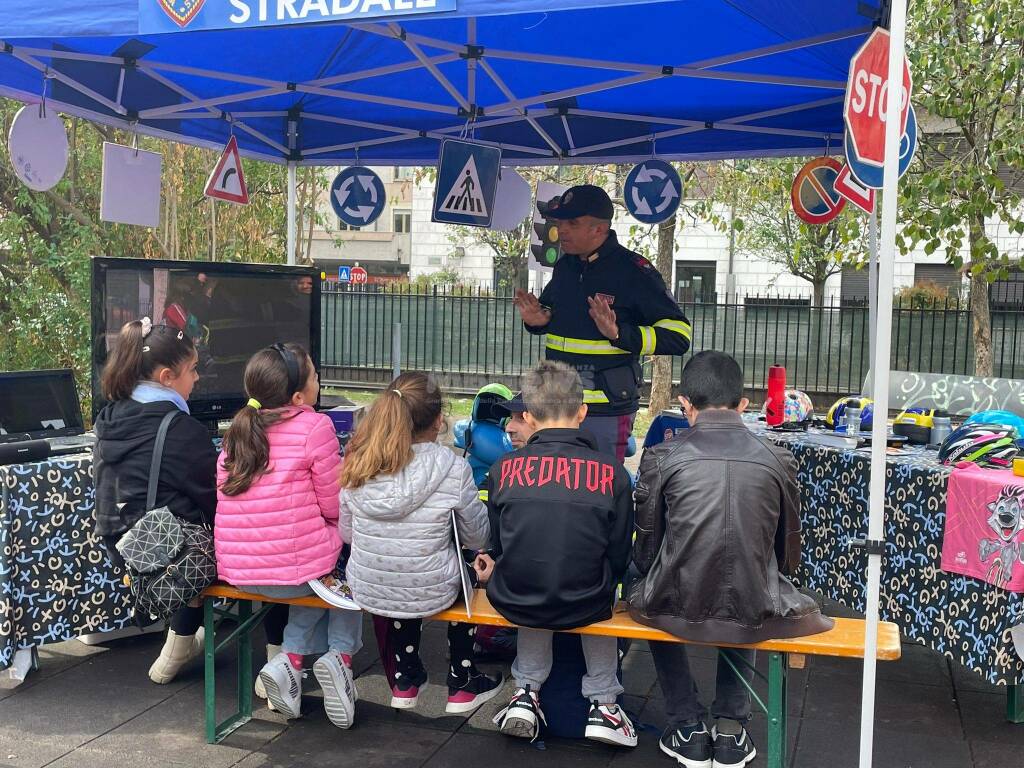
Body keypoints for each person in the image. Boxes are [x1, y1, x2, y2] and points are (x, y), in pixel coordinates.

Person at [629, 351, 834, 768]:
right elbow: (788, 555)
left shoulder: (660, 456)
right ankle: (731, 727)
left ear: (684, 403)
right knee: (756, 576)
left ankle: (686, 722)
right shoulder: (780, 458)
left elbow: (646, 550)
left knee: (642, 577)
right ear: (744, 405)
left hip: (672, 606)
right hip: (756, 605)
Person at [485, 361, 637, 747]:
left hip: (515, 599)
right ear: (582, 412)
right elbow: (619, 553)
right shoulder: (613, 472)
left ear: (531, 417)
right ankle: (604, 704)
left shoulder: (503, 469)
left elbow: (501, 546)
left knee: (529, 570)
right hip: (587, 599)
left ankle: (525, 692)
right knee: (597, 580)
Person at [214, 343, 362, 730]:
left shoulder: (236, 433)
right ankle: (340, 660)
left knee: (316, 569)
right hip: (294, 574)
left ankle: (290, 662)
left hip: (241, 574)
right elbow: (335, 506)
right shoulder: (316, 426)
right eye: (314, 376)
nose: (318, 381)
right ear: (299, 396)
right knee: (347, 561)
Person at [340, 372, 503, 714]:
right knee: (460, 574)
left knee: (405, 577)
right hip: (431, 586)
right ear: (439, 420)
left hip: (370, 585)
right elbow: (476, 536)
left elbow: (348, 534)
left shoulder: (358, 463)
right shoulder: (451, 467)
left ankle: (406, 676)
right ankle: (462, 678)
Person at [513, 184, 692, 462]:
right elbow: (551, 313)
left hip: (605, 409)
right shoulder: (565, 266)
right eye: (560, 222)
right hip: (556, 404)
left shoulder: (634, 271)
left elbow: (679, 335)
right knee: (557, 486)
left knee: (601, 490)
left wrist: (620, 334)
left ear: (599, 229)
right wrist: (538, 320)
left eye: (572, 223)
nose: (562, 230)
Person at [93, 317, 217, 685]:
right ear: (166, 376)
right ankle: (282, 656)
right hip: (169, 555)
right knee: (258, 532)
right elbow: (217, 499)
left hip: (123, 545)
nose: (196, 379)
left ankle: (176, 648)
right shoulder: (180, 429)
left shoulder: (109, 416)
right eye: (192, 370)